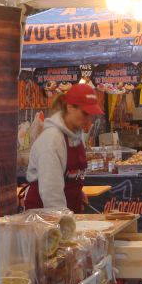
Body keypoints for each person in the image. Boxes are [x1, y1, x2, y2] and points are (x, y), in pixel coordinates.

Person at [24, 83, 104, 213]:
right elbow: (51, 194)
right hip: (45, 217)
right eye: (85, 113)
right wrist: (64, 222)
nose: (88, 120)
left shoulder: (76, 135)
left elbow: (69, 177)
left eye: (91, 115)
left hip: (67, 213)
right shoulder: (52, 140)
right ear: (70, 107)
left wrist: (77, 193)